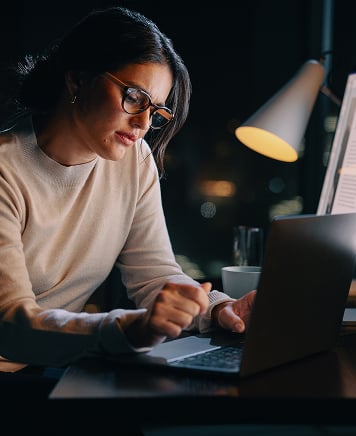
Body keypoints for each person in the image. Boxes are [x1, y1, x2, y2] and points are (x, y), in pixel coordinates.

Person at [0, 6, 254, 371]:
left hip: (55, 366)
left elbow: (154, 276)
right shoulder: (7, 170)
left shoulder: (133, 159)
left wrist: (217, 308)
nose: (142, 122)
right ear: (77, 79)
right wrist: (130, 329)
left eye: (156, 110)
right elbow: (9, 324)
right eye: (134, 97)